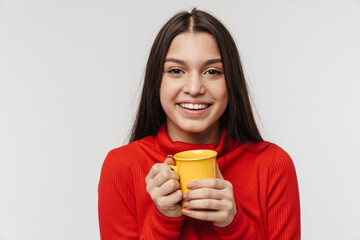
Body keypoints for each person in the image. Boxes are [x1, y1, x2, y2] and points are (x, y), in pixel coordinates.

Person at [98, 8, 300, 240]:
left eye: (212, 71)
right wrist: (164, 219)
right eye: (176, 70)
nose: (194, 88)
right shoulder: (122, 165)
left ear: (231, 81)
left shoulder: (273, 165)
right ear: (157, 81)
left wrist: (233, 224)